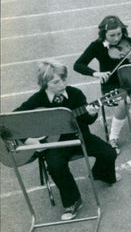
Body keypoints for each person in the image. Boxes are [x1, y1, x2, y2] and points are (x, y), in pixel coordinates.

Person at [14, 60, 119, 221]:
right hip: (54, 145)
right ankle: (73, 201)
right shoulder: (37, 100)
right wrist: (29, 140)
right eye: (56, 81)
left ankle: (99, 173)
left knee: (109, 153)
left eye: (64, 79)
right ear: (45, 83)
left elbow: (87, 120)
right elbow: (14, 121)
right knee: (55, 166)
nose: (62, 84)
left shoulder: (75, 94)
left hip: (81, 138)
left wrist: (91, 113)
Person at [74, 15, 131, 153]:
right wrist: (96, 73)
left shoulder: (128, 41)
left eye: (119, 34)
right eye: (112, 35)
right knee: (124, 101)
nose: (116, 39)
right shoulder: (96, 46)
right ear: (104, 34)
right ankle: (113, 137)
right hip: (111, 85)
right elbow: (78, 65)